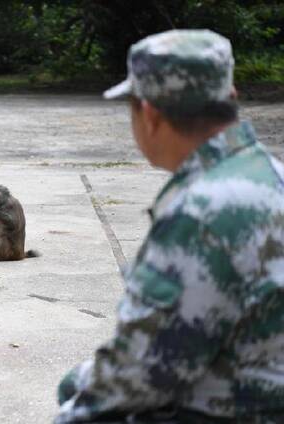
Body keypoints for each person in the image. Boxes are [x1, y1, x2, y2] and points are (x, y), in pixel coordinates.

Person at [56, 29, 284, 424]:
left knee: (84, 399)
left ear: (150, 113)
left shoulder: (200, 213)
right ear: (231, 98)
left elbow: (142, 370)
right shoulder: (269, 174)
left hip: (240, 408)